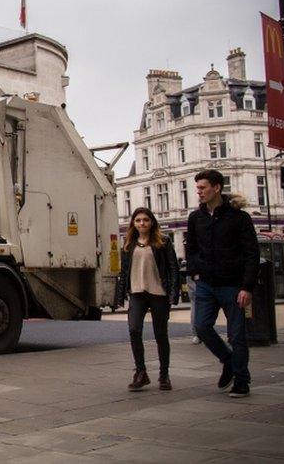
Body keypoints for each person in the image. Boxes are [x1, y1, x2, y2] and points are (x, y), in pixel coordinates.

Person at [185, 169, 259, 398]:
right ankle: (228, 361)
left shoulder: (239, 217)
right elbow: (192, 249)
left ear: (217, 187)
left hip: (233, 285)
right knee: (202, 327)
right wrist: (196, 272)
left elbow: (251, 253)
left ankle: (242, 381)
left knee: (237, 335)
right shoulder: (196, 218)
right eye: (197, 188)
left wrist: (247, 287)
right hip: (206, 284)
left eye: (203, 187)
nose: (199, 192)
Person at [116, 207, 180, 391]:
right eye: (138, 220)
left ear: (152, 222)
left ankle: (164, 374)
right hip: (137, 293)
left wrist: (173, 294)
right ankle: (141, 372)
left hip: (158, 293)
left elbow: (173, 268)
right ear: (133, 224)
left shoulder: (163, 242)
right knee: (134, 330)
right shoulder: (128, 244)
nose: (141, 223)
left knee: (161, 334)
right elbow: (124, 272)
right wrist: (121, 295)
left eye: (145, 220)